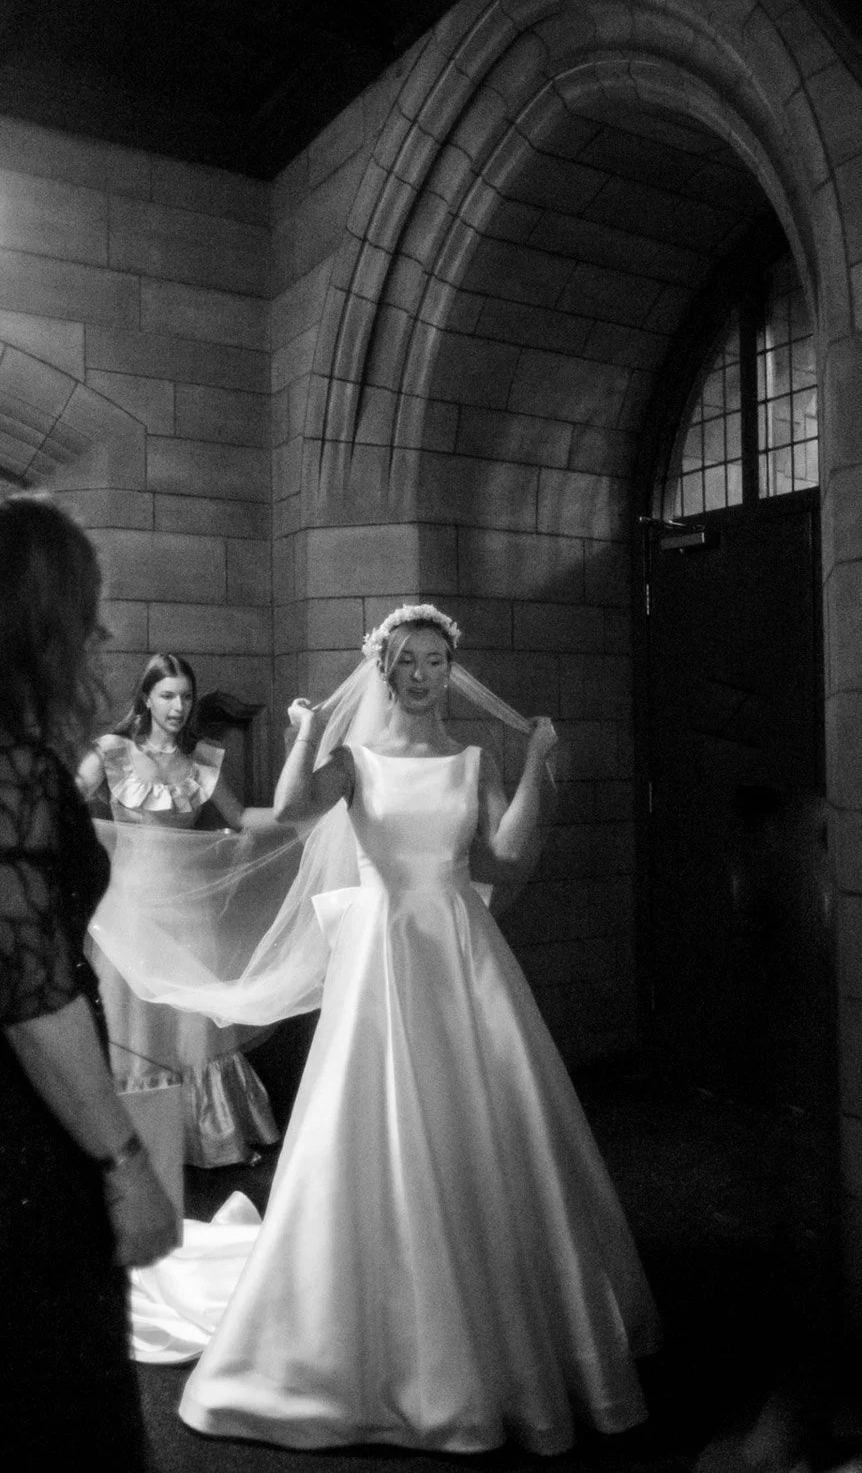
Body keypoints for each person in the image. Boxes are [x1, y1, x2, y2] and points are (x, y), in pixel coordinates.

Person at [177, 603, 661, 1455]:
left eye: (437, 659)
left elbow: (505, 858)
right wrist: (302, 735)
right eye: (409, 659)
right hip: (381, 955)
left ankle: (500, 1329)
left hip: (460, 951)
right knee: (374, 1123)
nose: (425, 672)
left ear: (450, 668)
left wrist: (539, 765)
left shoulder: (473, 761)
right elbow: (289, 813)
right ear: (385, 668)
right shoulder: (356, 762)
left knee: (490, 1120)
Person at [0, 491, 179, 1467]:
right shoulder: (11, 766)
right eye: (87, 609)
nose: (101, 632)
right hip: (30, 1134)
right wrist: (126, 1164)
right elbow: (30, 996)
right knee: (59, 1394)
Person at [77, 653, 281, 1167]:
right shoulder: (112, 752)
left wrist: (306, 813)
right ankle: (135, 1151)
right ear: (146, 697)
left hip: (190, 916)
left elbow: (242, 818)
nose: (179, 706)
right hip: (128, 915)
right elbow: (66, 803)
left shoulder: (204, 759)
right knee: (132, 1031)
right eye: (168, 694)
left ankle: (205, 1141)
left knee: (193, 1032)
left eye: (186, 696)